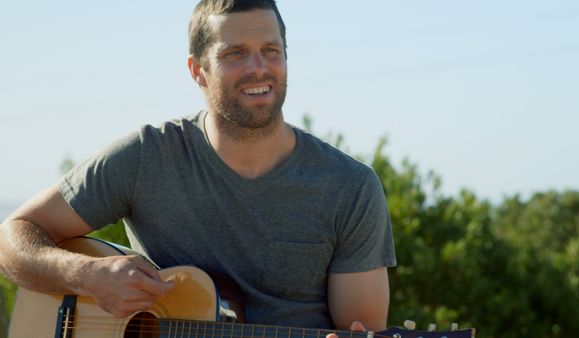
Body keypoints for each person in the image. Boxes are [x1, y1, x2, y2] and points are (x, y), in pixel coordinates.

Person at [0, 0, 396, 332]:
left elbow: (361, 326)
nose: (258, 67)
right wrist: (87, 277)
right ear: (197, 71)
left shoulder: (350, 187)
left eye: (271, 50)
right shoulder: (147, 157)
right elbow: (12, 240)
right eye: (235, 53)